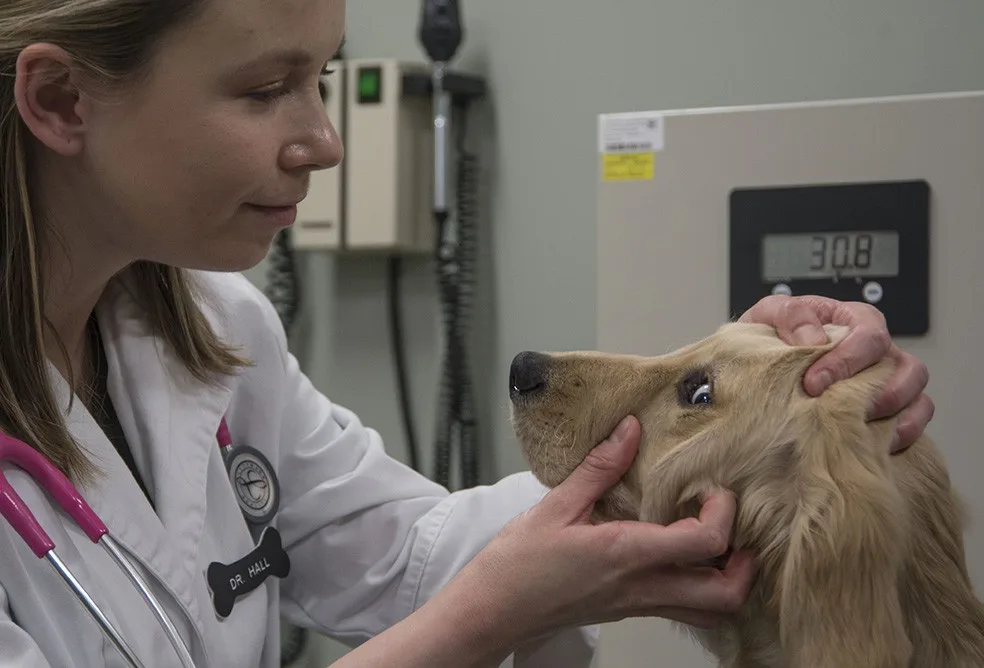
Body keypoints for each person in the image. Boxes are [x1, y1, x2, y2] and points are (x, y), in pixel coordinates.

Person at [0, 1, 935, 667]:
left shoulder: (216, 329)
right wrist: (484, 618)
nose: (324, 141)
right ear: (61, 101)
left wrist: (737, 413)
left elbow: (404, 556)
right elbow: (469, 597)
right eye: (265, 89)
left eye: (320, 78)